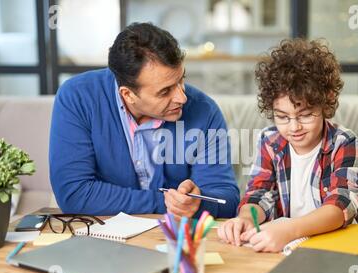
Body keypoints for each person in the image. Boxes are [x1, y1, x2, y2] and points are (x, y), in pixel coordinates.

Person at [49, 23, 239, 218]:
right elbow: (74, 195)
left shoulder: (204, 110)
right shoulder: (78, 98)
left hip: (172, 240)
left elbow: (226, 200)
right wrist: (165, 203)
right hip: (102, 238)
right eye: (165, 91)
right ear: (128, 94)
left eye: (181, 80)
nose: (181, 97)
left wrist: (196, 203)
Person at [218, 39, 358, 252]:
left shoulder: (345, 143)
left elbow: (340, 207)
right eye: (282, 117)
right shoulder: (269, 140)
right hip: (286, 244)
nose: (294, 127)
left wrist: (288, 230)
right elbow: (259, 194)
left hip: (335, 244)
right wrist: (247, 219)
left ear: (325, 103)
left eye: (305, 115)